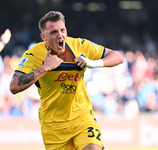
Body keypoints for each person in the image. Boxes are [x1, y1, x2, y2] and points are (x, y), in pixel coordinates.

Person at [10, 11, 124, 150]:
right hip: (54, 128)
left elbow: (118, 56)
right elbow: (14, 86)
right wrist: (45, 67)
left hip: (82, 118)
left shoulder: (79, 45)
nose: (60, 35)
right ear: (43, 37)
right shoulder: (33, 55)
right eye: (53, 32)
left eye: (63, 30)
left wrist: (94, 63)